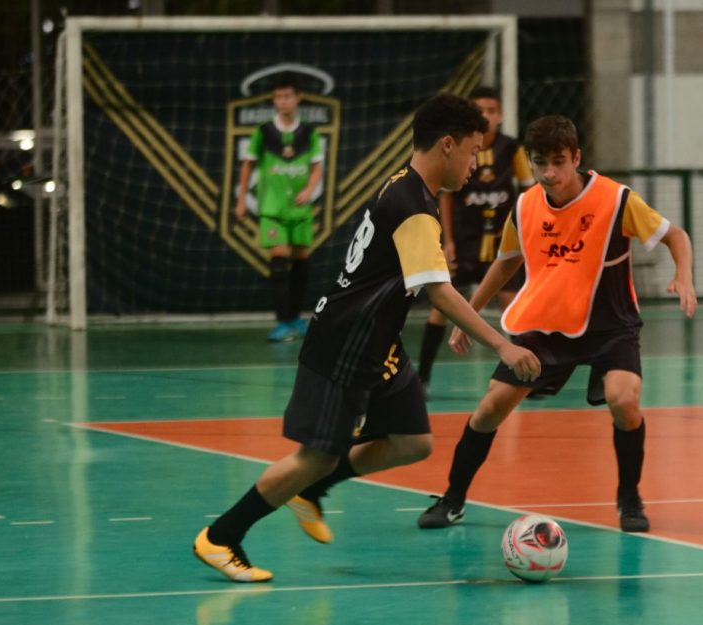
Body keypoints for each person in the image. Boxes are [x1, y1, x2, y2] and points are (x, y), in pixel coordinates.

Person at [193, 93, 542, 582]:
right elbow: (439, 294)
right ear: (447, 145)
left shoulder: (405, 183)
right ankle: (222, 537)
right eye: (472, 151)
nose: (474, 164)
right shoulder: (414, 206)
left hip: (379, 340)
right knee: (314, 456)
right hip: (348, 341)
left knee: (413, 442)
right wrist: (503, 344)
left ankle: (312, 491)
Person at [417, 115, 698, 533]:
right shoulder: (527, 205)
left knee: (624, 399)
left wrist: (684, 276)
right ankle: (453, 497)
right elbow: (504, 264)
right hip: (546, 322)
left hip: (609, 325)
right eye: (539, 163)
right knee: (491, 406)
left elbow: (677, 235)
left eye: (559, 162)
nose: (549, 173)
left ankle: (629, 496)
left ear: (577, 158)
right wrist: (469, 317)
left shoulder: (616, 200)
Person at [417, 86, 535, 395]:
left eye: (492, 111)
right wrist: (449, 239)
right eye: (480, 110)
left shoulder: (513, 149)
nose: (487, 116)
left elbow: (529, 192)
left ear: (501, 115)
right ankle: (422, 377)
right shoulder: (460, 149)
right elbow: (447, 196)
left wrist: (526, 233)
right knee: (440, 307)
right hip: (467, 239)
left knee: (513, 304)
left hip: (501, 241)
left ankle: (527, 372)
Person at [235, 73, 324, 342]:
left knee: (301, 262)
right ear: (274, 100)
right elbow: (248, 164)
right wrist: (240, 200)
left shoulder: (309, 133)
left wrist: (309, 190)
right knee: (278, 260)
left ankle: (296, 318)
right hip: (273, 207)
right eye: (278, 97)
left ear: (298, 98)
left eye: (287, 96)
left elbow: (318, 166)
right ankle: (282, 321)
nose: (283, 101)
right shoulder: (263, 132)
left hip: (299, 209)